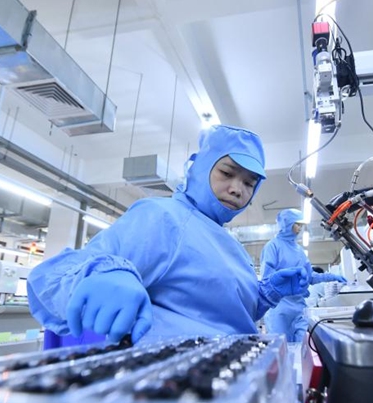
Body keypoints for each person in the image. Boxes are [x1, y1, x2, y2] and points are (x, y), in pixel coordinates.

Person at [28, 125, 309, 344]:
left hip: (230, 378)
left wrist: (267, 294)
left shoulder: (229, 242)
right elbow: (50, 278)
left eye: (249, 183)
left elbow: (224, 313)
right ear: (199, 167)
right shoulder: (162, 217)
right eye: (226, 173)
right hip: (174, 389)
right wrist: (105, 273)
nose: (238, 189)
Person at [260, 209, 346, 342]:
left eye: (301, 225)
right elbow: (268, 279)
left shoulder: (299, 250)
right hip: (279, 308)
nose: (300, 228)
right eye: (297, 224)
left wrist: (331, 277)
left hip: (299, 307)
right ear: (286, 224)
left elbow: (310, 277)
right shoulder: (272, 247)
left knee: (303, 349)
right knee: (283, 351)